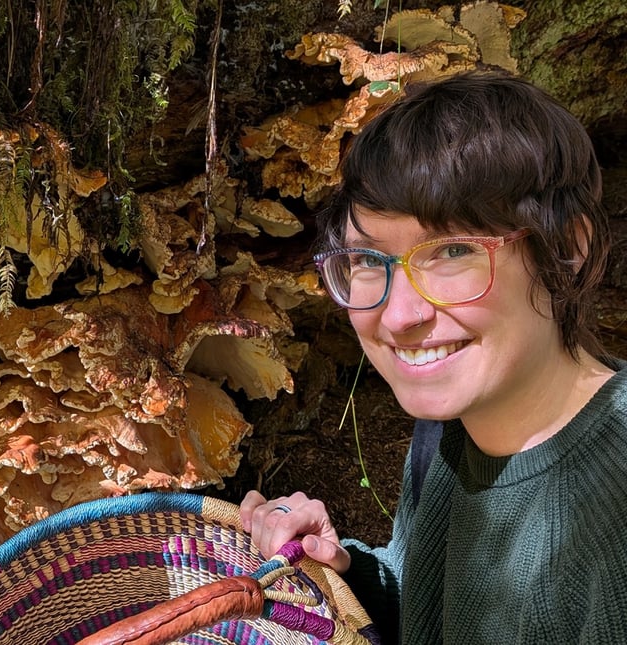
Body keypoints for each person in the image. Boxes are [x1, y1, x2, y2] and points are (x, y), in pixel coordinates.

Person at [239, 71, 627, 644]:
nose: (399, 316)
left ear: (568, 249)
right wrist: (346, 571)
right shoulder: (450, 429)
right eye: (367, 260)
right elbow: (435, 607)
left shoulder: (613, 513)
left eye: (452, 251)